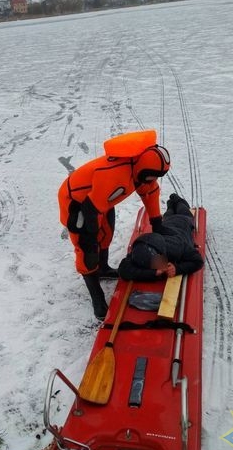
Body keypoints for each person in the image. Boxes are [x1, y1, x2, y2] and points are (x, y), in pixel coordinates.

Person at [58, 130, 171, 320]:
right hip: (77, 202)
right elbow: (90, 208)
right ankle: (97, 298)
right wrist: (89, 236)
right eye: (152, 176)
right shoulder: (114, 176)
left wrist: (157, 222)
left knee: (106, 235)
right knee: (88, 251)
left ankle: (102, 268)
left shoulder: (141, 172)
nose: (153, 179)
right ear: (143, 170)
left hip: (100, 201)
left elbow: (150, 192)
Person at [118, 193, 204, 281]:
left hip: (183, 220)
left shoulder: (176, 247)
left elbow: (198, 261)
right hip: (166, 222)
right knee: (169, 210)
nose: (157, 266)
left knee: (182, 206)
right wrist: (154, 273)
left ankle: (176, 198)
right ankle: (171, 203)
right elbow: (123, 270)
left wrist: (177, 269)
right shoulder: (138, 252)